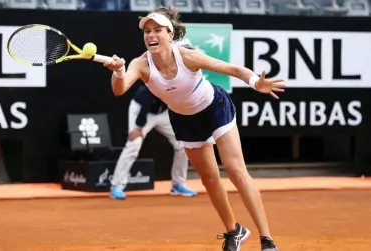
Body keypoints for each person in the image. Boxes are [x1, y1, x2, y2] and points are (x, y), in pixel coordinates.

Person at [103, 6, 284, 251]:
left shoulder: (188, 56)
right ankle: (234, 231)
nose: (151, 35)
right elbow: (119, 89)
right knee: (209, 179)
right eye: (147, 31)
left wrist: (255, 82)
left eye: (157, 30)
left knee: (235, 170)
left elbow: (234, 70)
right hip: (185, 120)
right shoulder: (141, 64)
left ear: (170, 34)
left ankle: (267, 239)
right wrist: (118, 71)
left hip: (214, 108)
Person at [110, 84, 197, 200]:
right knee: (133, 145)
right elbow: (145, 106)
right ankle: (117, 185)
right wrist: (138, 128)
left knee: (183, 143)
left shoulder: (180, 82)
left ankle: (178, 184)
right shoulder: (152, 85)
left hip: (163, 113)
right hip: (141, 110)